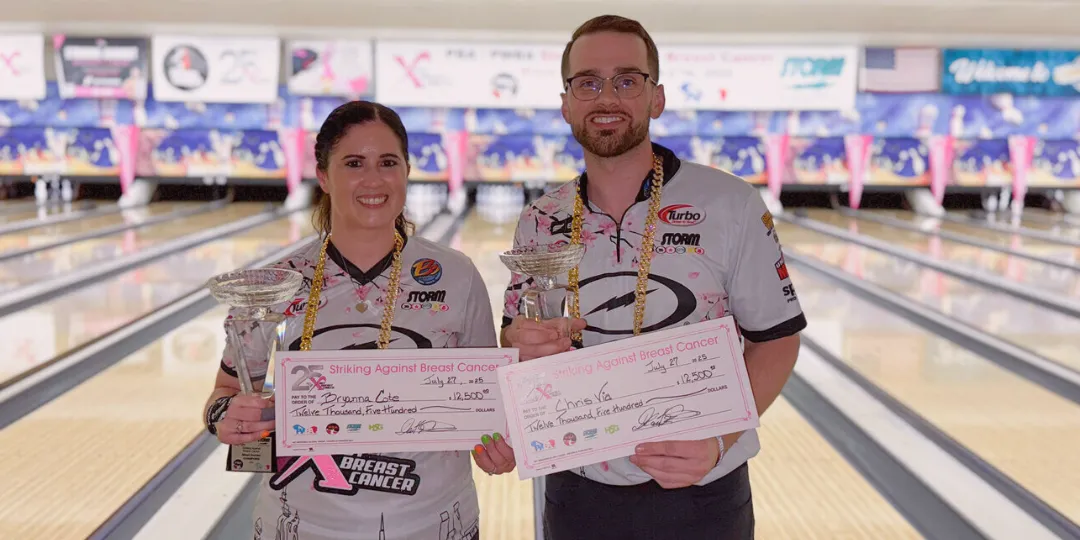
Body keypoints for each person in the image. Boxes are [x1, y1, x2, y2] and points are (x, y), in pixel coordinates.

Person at [500, 15, 807, 540]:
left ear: (656, 98)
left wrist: (719, 440)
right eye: (588, 83)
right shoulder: (539, 218)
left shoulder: (729, 204)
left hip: (704, 488)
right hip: (576, 489)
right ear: (567, 103)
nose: (607, 98)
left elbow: (777, 340)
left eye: (627, 80)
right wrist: (515, 349)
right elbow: (516, 346)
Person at [202, 100, 515, 540]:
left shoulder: (458, 275)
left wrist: (500, 444)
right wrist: (226, 416)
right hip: (300, 526)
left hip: (432, 523)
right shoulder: (274, 287)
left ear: (407, 170)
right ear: (325, 176)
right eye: (354, 163)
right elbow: (224, 393)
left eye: (388, 162)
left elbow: (490, 403)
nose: (373, 179)